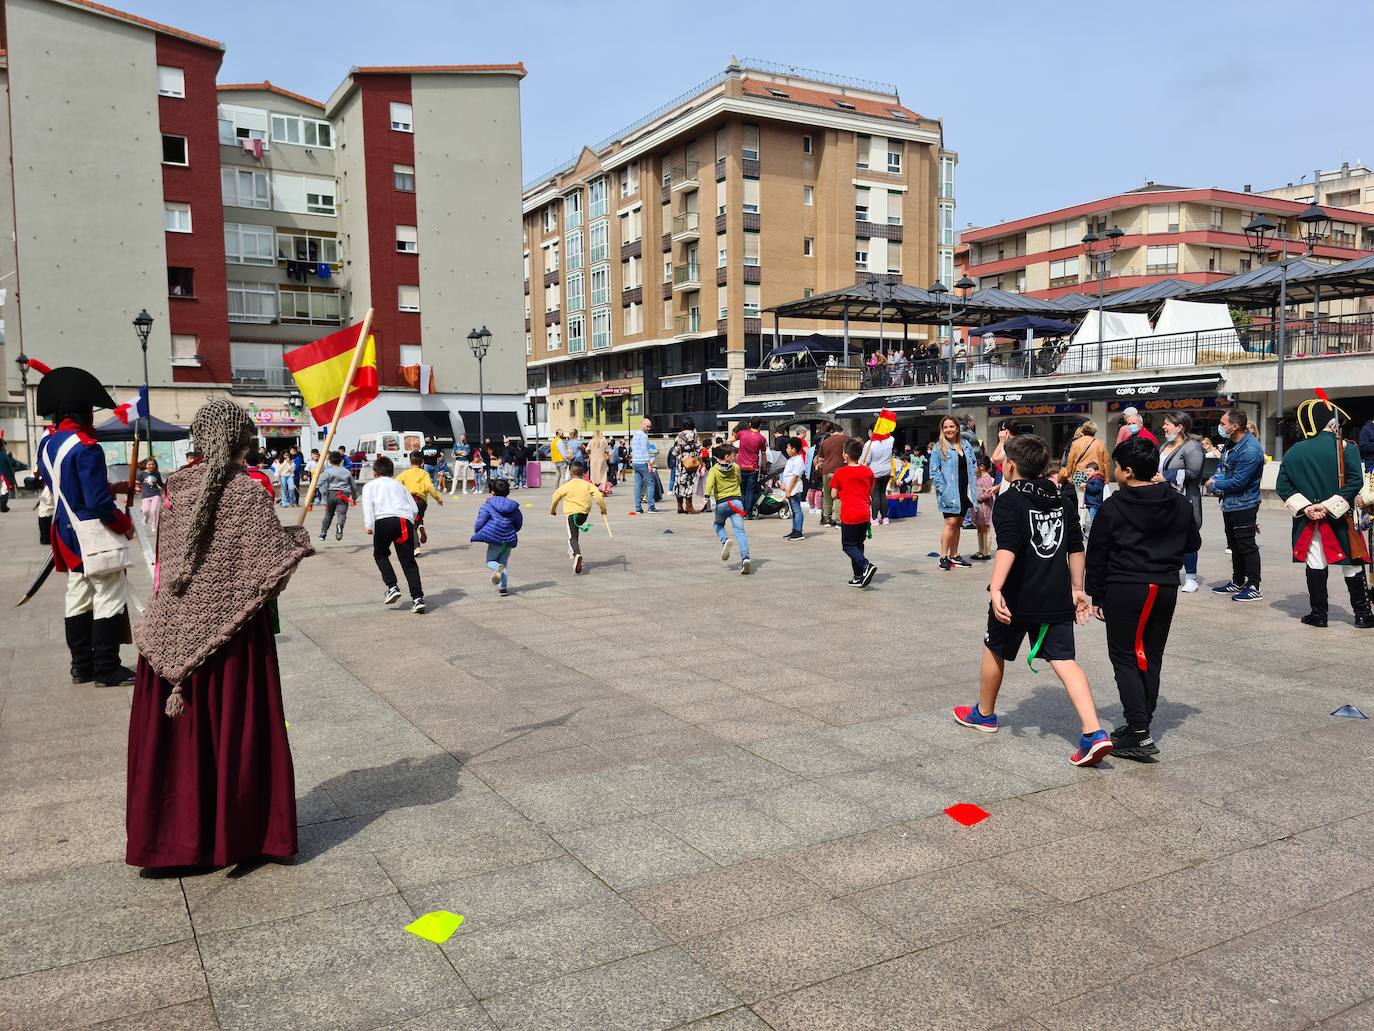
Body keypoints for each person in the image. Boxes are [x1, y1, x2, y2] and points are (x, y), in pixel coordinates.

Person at [126, 399, 313, 870]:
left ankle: (172, 840)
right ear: (240, 442)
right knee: (234, 728)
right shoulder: (247, 493)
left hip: (169, 627)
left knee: (179, 741)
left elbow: (181, 564)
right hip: (229, 637)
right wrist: (295, 543)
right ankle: (242, 834)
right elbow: (268, 574)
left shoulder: (174, 489)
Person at [951, 433, 1113, 767]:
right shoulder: (1062, 499)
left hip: (1016, 597)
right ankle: (1094, 732)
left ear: (1010, 465)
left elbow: (1007, 546)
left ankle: (984, 714)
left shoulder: (1010, 500)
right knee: (1065, 660)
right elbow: (1075, 548)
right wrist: (1077, 589)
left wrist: (995, 588)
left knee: (995, 648)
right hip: (1055, 596)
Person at [1086, 437, 1201, 762]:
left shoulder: (1115, 505)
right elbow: (1193, 541)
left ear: (1128, 470)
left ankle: (1139, 731)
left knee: (1125, 657)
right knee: (1151, 655)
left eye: (1118, 467)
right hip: (1163, 587)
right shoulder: (1177, 502)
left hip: (1126, 587)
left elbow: (1099, 552)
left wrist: (1095, 593)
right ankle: (1140, 723)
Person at [36, 367, 137, 687]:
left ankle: (82, 665)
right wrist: (124, 524)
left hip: (65, 532)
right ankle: (107, 667)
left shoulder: (47, 445)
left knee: (78, 596)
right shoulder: (86, 447)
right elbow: (95, 503)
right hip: (91, 532)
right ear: (82, 412)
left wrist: (115, 487)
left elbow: (67, 488)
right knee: (108, 595)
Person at [1276, 398, 1372, 629]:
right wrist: (1328, 506)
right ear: (1330, 424)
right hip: (1340, 517)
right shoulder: (1348, 447)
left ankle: (1319, 615)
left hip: (1308, 519)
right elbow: (1355, 481)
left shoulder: (1295, 451)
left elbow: (1283, 486)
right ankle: (1362, 614)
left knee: (1316, 563)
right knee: (1353, 564)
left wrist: (1308, 508)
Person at [1205, 407, 1264, 601]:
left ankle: (1254, 585)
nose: (1220, 427)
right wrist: (1217, 479)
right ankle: (1238, 580)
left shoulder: (1250, 449)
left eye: (1223, 424)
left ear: (1235, 426)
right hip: (1230, 502)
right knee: (1234, 544)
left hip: (1244, 503)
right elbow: (1226, 470)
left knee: (1246, 545)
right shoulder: (1231, 443)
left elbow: (1239, 481)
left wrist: (1215, 484)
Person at [361, 456, 425, 613]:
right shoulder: (399, 485)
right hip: (404, 522)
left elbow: (368, 506)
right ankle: (417, 599)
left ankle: (392, 586)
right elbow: (414, 509)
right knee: (408, 561)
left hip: (384, 521)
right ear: (391, 471)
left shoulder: (370, 486)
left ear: (375, 472)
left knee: (380, 555)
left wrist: (368, 524)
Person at [1157, 412, 1205, 593]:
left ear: (1180, 427)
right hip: (1163, 499)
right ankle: (1170, 572)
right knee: (1166, 538)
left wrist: (1165, 477)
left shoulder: (1192, 447)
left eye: (1167, 423)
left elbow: (1194, 473)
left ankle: (1191, 577)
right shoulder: (1164, 446)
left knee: (1186, 537)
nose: (1164, 427)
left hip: (1184, 499)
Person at [930, 415, 978, 570]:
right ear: (942, 430)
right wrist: (942, 488)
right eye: (945, 427)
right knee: (950, 522)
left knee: (958, 523)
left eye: (951, 426)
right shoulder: (939, 447)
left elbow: (974, 463)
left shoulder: (966, 445)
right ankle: (943, 556)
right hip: (949, 492)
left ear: (957, 428)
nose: (949, 430)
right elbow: (934, 470)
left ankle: (954, 555)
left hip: (965, 490)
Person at [830, 439, 877, 588]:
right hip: (863, 512)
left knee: (848, 545)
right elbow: (870, 489)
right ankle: (858, 576)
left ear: (845, 455)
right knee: (858, 545)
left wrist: (842, 494)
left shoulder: (840, 472)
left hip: (850, 513)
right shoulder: (867, 471)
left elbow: (833, 494)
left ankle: (865, 565)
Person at [550, 459, 607, 575]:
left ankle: (576, 553)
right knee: (575, 533)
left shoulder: (567, 485)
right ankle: (573, 550)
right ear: (583, 473)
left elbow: (555, 496)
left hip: (571, 514)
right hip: (583, 515)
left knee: (572, 537)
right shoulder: (588, 485)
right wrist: (603, 509)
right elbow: (599, 497)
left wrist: (553, 510)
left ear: (570, 473)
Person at [703, 443, 751, 575]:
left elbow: (709, 484)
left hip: (722, 503)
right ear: (727, 456)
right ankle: (745, 558)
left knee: (718, 525)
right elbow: (739, 480)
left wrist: (706, 498)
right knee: (740, 532)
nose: (736, 457)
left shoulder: (714, 469)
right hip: (737, 502)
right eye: (734, 455)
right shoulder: (736, 467)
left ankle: (725, 540)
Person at [472, 477, 522, 597]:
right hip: (507, 541)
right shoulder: (514, 507)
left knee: (490, 561)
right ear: (508, 492)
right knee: (503, 561)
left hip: (494, 540)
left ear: (492, 492)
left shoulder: (487, 505)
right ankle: (503, 588)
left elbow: (480, 521)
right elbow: (518, 523)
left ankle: (501, 570)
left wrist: (478, 530)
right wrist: (513, 530)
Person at [396, 450, 443, 554]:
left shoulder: (405, 473)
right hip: (421, 502)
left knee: (410, 525)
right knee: (417, 519)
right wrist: (438, 498)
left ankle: (416, 547)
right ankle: (421, 525)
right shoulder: (424, 474)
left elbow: (395, 483)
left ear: (410, 462)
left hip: (409, 501)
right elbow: (430, 488)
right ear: (422, 462)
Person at [1060, 420, 1110, 506]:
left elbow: (1070, 461)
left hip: (1079, 473)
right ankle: (1094, 517)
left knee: (1080, 500)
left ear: (1083, 430)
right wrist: (1106, 477)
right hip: (1096, 474)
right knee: (1096, 499)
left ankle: (1082, 519)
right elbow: (1106, 461)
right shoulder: (1100, 443)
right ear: (1095, 430)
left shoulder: (1076, 443)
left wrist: (1069, 475)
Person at [861, 412, 896, 525]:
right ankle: (885, 518)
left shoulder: (869, 444)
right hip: (887, 471)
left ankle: (874, 518)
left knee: (875, 494)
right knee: (882, 494)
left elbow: (866, 461)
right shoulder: (890, 440)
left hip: (874, 472)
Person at [315, 450, 356, 542]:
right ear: (341, 460)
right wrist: (354, 497)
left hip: (331, 494)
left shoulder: (327, 471)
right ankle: (339, 526)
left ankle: (323, 533)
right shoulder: (346, 472)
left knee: (329, 514)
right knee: (341, 514)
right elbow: (354, 486)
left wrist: (318, 493)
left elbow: (319, 483)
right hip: (343, 495)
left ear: (329, 461)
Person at [817, 422, 850, 528]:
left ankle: (827, 519)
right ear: (842, 432)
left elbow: (820, 458)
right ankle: (839, 520)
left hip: (826, 471)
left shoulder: (825, 441)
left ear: (832, 432)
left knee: (827, 495)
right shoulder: (847, 439)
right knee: (839, 496)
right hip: (841, 471)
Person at [735, 418, 768, 517]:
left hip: (741, 466)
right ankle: (748, 513)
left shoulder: (742, 433)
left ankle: (741, 512)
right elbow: (764, 455)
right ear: (759, 425)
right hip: (753, 468)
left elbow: (731, 439)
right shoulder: (762, 438)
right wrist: (764, 468)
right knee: (750, 491)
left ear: (749, 424)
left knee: (742, 491)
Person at [672, 418, 702, 514]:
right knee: (690, 483)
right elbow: (699, 449)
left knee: (679, 483)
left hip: (681, 463)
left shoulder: (679, 436)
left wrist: (681, 455)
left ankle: (679, 506)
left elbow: (675, 451)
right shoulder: (695, 435)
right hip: (692, 463)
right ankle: (689, 506)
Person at [781, 436, 807, 542]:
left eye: (788, 447)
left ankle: (798, 531)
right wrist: (783, 483)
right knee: (794, 509)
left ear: (794, 449)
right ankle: (794, 529)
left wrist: (788, 490)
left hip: (794, 489)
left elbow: (794, 477)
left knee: (797, 509)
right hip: (789, 488)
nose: (786, 449)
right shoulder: (791, 459)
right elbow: (786, 473)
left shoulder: (799, 460)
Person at [630, 417, 658, 514]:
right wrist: (649, 464)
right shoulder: (644, 436)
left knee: (638, 485)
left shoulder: (635, 435)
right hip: (642, 462)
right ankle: (651, 507)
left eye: (649, 427)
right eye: (647, 426)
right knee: (650, 482)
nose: (648, 429)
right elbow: (644, 451)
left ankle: (638, 508)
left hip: (635, 462)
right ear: (642, 425)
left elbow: (633, 448)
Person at [971, 455, 996, 560]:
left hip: (984, 506)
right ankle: (981, 550)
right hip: (978, 506)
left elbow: (989, 493)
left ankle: (986, 552)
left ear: (981, 466)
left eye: (975, 466)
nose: (974, 468)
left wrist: (978, 496)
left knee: (985, 528)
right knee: (979, 528)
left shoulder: (987, 478)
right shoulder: (979, 477)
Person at [136, 458, 164, 535]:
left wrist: (166, 486)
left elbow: (160, 484)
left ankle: (153, 526)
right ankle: (146, 517)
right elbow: (136, 483)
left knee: (154, 510)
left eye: (153, 464)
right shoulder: (141, 474)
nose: (151, 466)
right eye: (149, 464)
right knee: (146, 511)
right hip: (145, 495)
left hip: (156, 494)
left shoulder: (157, 474)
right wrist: (136, 489)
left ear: (155, 465)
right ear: (145, 465)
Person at [1082, 462, 1105, 532]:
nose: (1087, 472)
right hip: (1091, 503)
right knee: (1094, 520)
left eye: (1090, 471)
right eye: (1087, 471)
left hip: (1094, 504)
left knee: (1094, 520)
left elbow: (1095, 489)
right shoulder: (1092, 479)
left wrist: (1086, 485)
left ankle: (1097, 532)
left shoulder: (1097, 479)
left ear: (1096, 471)